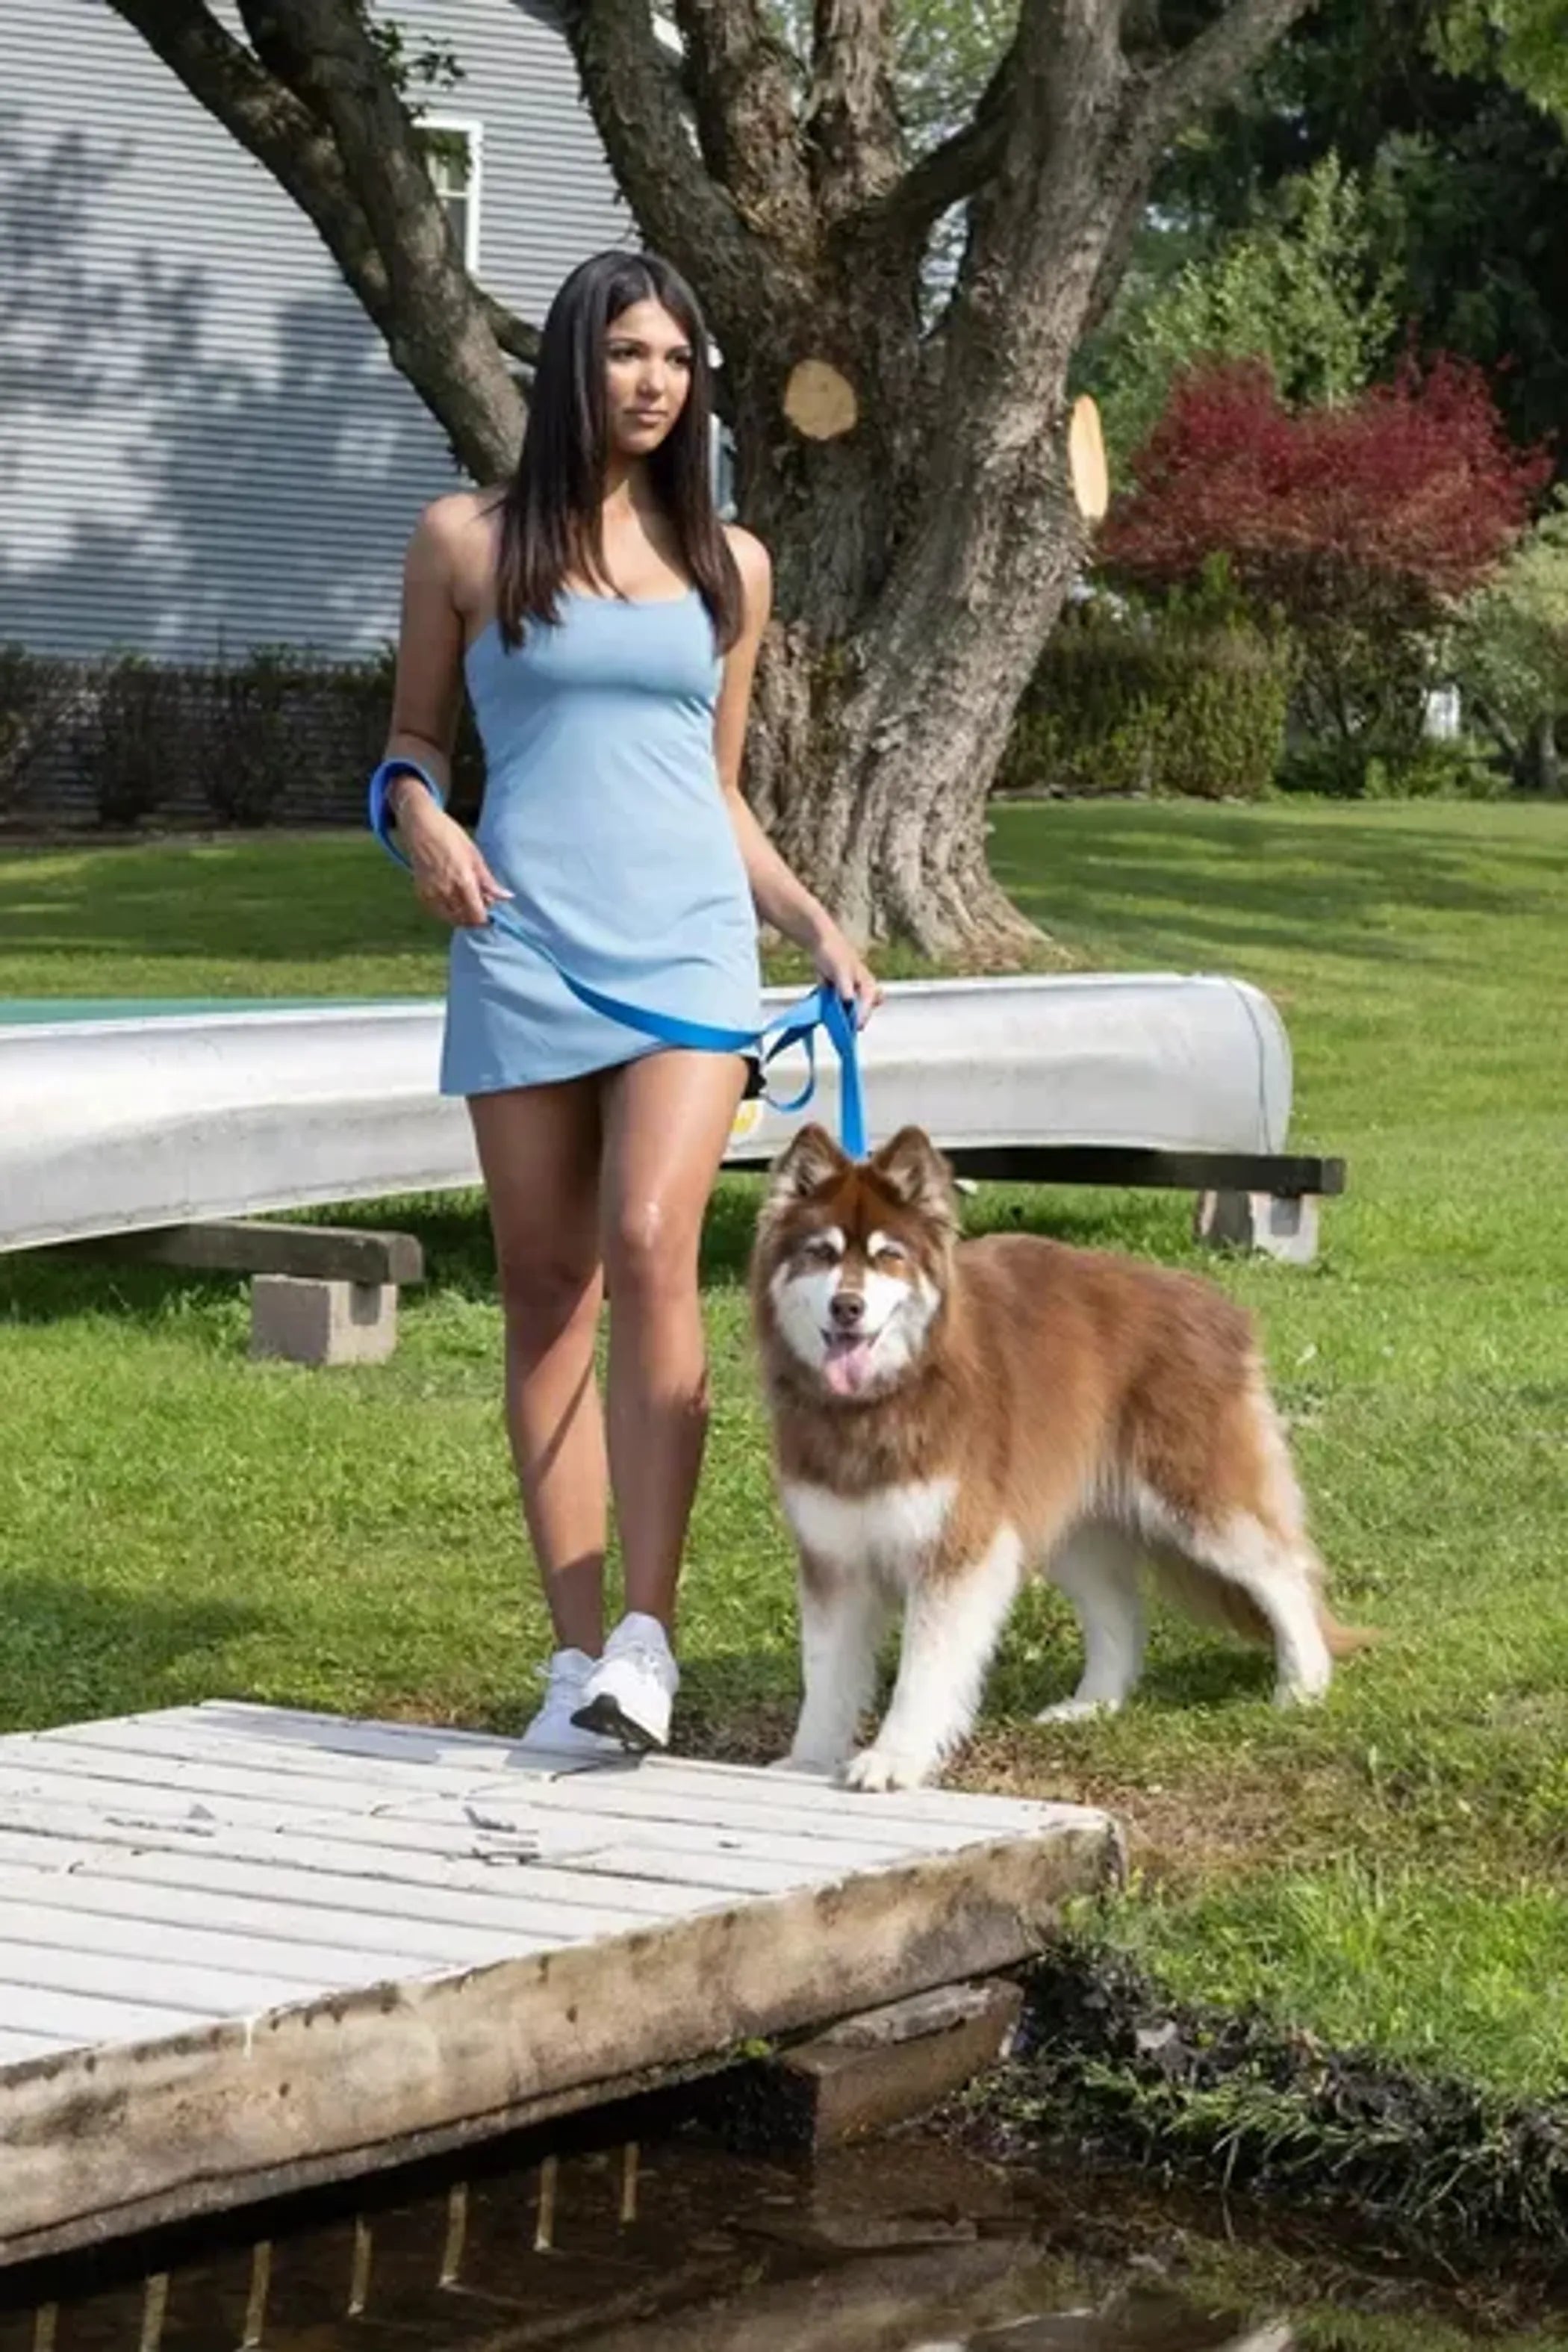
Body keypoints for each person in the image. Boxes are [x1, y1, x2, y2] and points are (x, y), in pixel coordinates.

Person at [379, 248, 880, 1758]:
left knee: (655, 1242)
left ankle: (648, 1643)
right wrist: (422, 824)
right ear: (572, 368)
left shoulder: (729, 564)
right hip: (523, 946)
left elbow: (715, 792)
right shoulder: (464, 541)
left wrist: (807, 916)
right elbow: (409, 746)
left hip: (680, 953)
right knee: (545, 1294)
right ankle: (575, 1656)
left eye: (676, 358)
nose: (654, 381)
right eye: (626, 355)